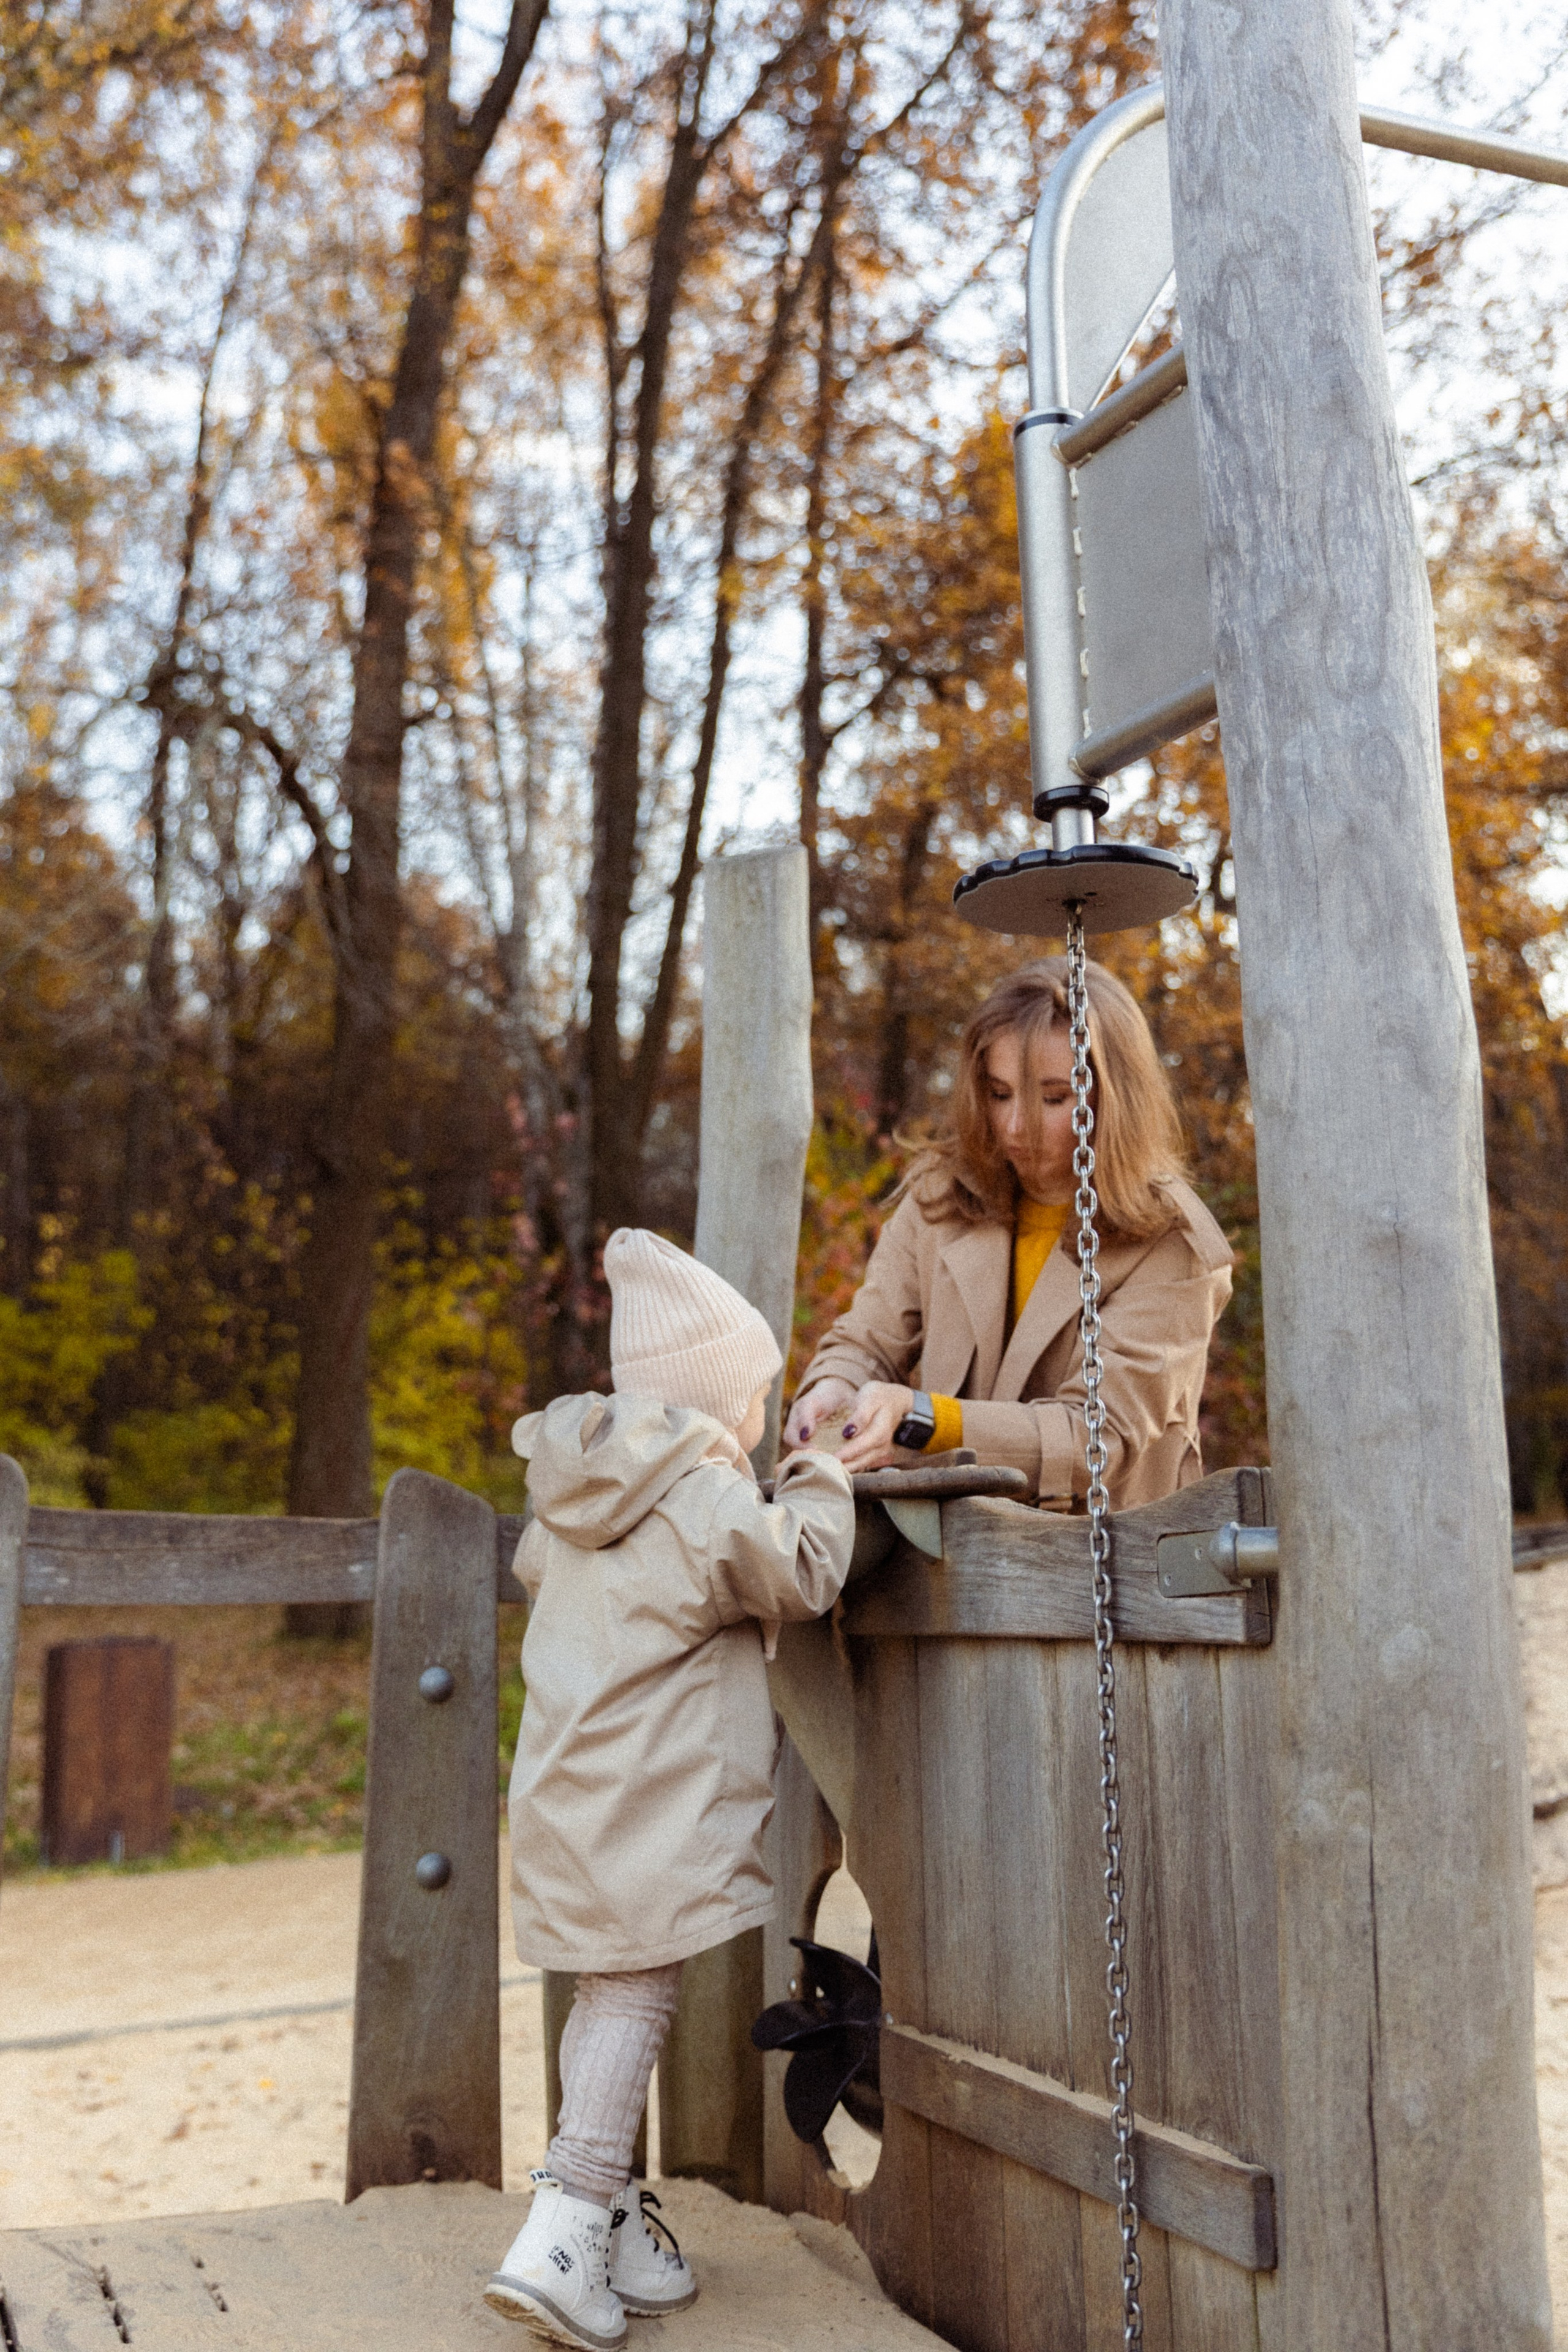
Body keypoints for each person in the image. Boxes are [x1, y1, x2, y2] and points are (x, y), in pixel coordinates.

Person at [486, 1227, 856, 2351]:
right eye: (753, 1399)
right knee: (633, 1996)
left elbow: (536, 1571)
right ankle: (561, 2229)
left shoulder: (582, 1492)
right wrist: (822, 1471)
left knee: (610, 1991)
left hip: (570, 1786)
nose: (755, 1420)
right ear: (719, 1402)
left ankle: (608, 2220)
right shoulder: (701, 1498)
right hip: (647, 1800)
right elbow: (800, 1568)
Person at [784, 958, 1233, 1507]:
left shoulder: (1176, 1244)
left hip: (1108, 1569)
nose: (1016, 1127)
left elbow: (1096, 1439)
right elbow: (868, 1340)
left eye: (1053, 1098)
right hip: (944, 1563)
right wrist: (833, 1389)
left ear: (1114, 1100)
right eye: (999, 1094)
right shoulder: (940, 1194)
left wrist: (924, 1419)